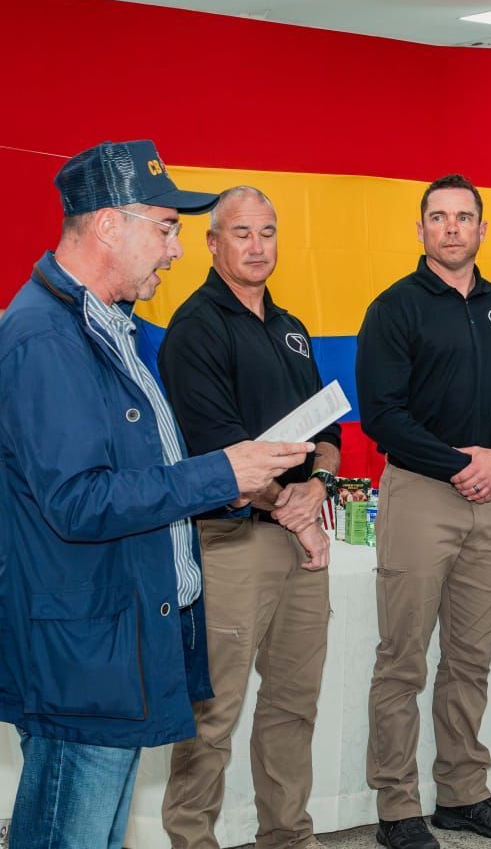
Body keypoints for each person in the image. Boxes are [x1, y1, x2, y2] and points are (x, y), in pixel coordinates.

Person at [0, 141, 312, 849]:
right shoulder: (46, 340)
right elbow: (79, 502)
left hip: (114, 637)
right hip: (83, 650)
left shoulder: (107, 329)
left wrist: (230, 480)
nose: (174, 251)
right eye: (165, 228)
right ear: (109, 225)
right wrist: (223, 474)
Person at [356, 174, 491, 848]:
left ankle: (463, 792)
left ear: (482, 229)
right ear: (420, 229)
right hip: (419, 496)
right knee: (402, 658)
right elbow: (382, 414)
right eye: (438, 217)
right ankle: (397, 806)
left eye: (464, 217)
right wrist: (459, 463)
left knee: (471, 657)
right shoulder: (394, 309)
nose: (451, 228)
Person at [159, 187, 342, 848]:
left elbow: (328, 431)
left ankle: (289, 836)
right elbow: (217, 450)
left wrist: (317, 486)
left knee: (294, 707)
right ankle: (191, 838)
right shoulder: (195, 328)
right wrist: (291, 512)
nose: (257, 246)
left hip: (300, 539)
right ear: (212, 244)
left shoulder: (291, 327)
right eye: (242, 233)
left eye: (267, 232)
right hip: (233, 542)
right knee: (213, 716)